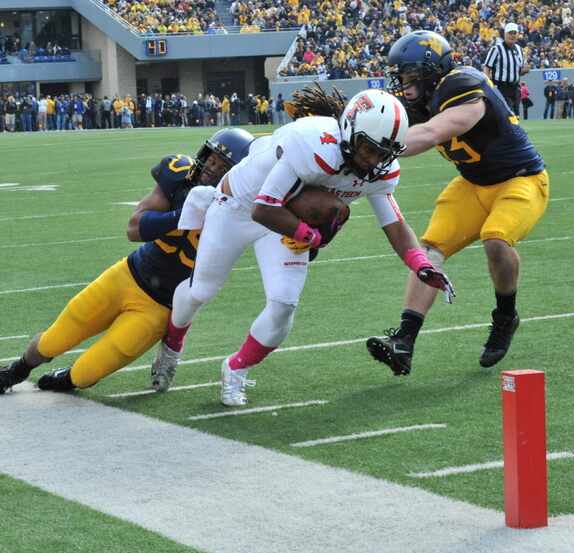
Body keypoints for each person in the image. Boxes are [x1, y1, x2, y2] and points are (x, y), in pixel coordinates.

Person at [153, 86, 452, 406]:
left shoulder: (379, 169)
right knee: (202, 291)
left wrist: (420, 264)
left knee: (283, 306)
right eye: (369, 149)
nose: (374, 160)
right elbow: (263, 209)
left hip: (286, 219)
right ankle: (172, 344)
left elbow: (393, 222)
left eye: (383, 153)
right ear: (349, 131)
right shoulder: (313, 146)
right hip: (239, 206)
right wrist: (312, 236)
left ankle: (236, 367)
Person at [0, 128, 254, 397]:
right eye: (212, 158)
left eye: (223, 165)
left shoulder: (242, 210)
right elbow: (133, 229)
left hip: (159, 308)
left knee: (85, 375)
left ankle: (67, 377)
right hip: (127, 276)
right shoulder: (179, 176)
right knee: (52, 341)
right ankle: (15, 371)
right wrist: (184, 214)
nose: (211, 168)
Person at [367, 30, 548, 375]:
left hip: (521, 179)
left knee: (495, 240)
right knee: (429, 252)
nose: (403, 85)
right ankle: (403, 341)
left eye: (408, 76)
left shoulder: (463, 85)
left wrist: (377, 142)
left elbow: (432, 133)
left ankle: (505, 317)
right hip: (472, 184)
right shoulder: (422, 101)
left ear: (431, 69)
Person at [483, 23, 529, 116]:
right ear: (505, 34)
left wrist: (525, 69)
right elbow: (487, 67)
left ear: (517, 34)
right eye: (510, 33)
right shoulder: (496, 49)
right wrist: (488, 85)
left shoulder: (519, 49)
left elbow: (519, 69)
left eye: (514, 33)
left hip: (515, 87)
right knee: (508, 115)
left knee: (516, 116)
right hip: (501, 87)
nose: (512, 35)